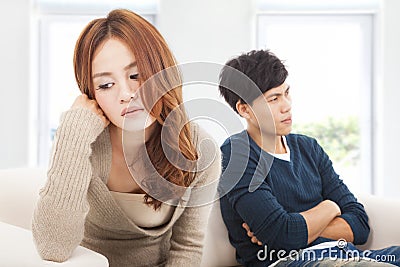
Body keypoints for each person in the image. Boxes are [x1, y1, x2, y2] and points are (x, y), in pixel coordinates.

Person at [32, 9, 221, 267]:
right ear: (91, 95)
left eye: (136, 75)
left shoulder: (198, 149)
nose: (126, 94)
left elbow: (187, 247)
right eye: (105, 85)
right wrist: (73, 130)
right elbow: (53, 247)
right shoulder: (84, 142)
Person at [217, 49, 400, 266]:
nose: (287, 105)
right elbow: (282, 236)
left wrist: (298, 230)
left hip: (346, 255)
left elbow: (359, 225)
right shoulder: (237, 155)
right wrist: (331, 207)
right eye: (274, 99)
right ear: (245, 109)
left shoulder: (307, 147)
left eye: (287, 93)